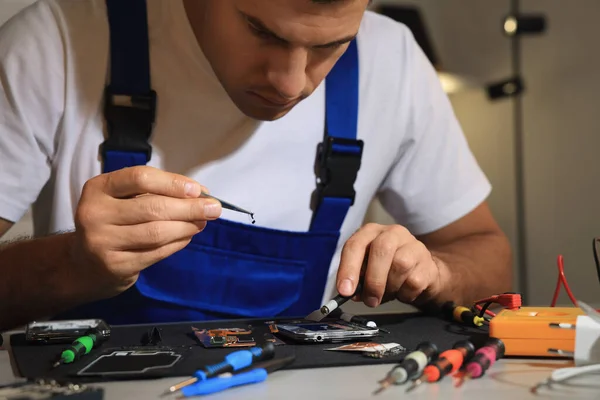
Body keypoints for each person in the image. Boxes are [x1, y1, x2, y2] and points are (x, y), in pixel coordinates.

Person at [0, 0, 512, 331]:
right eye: (261, 31)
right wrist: (72, 265)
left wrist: (434, 272)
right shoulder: (56, 44)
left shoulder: (393, 59)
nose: (291, 84)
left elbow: (488, 256)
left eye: (330, 46)